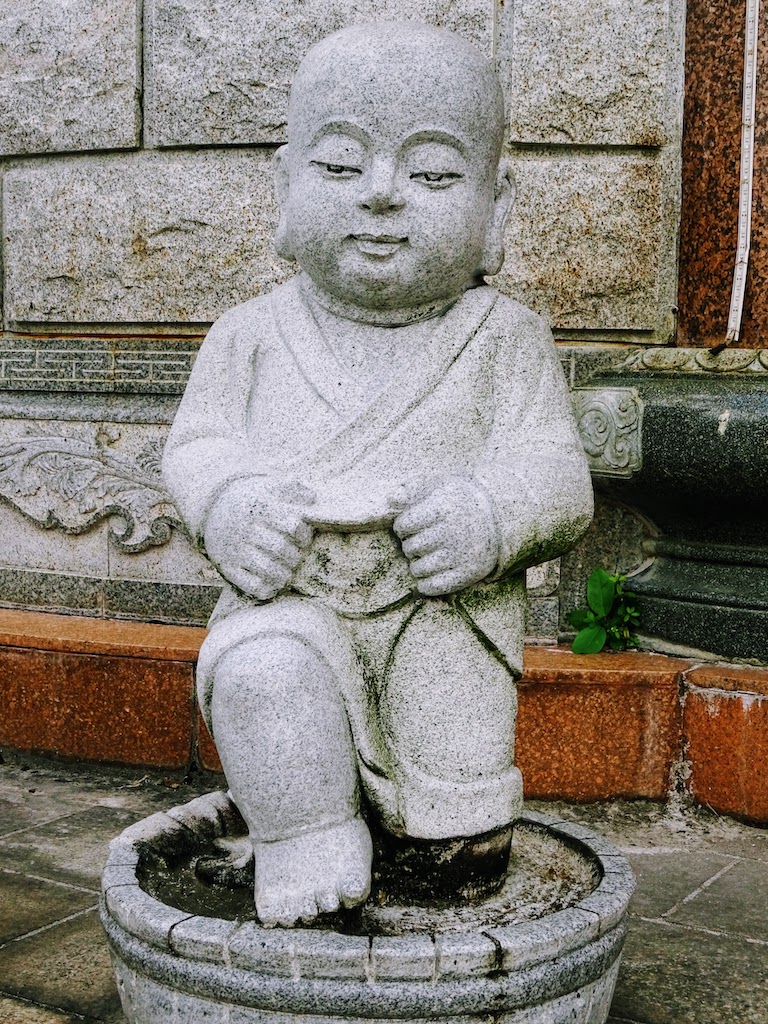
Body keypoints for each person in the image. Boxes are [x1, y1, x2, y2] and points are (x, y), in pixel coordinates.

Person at [163, 22, 593, 928]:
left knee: (457, 826)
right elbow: (198, 446)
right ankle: (304, 832)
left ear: (497, 205)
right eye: (340, 167)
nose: (384, 197)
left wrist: (489, 515)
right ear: (284, 186)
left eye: (434, 175)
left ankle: (443, 851)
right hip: (290, 600)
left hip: (442, 617)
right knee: (265, 676)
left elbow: (556, 473)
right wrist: (231, 504)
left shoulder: (504, 339)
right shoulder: (249, 334)